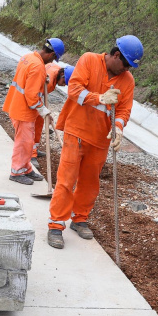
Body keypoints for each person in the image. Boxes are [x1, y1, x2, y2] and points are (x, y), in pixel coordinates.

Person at [46, 35, 143, 249]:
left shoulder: (127, 81)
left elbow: (124, 110)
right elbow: (74, 90)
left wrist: (118, 127)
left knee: (90, 182)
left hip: (100, 138)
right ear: (116, 55)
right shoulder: (89, 60)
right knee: (66, 179)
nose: (127, 70)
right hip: (77, 131)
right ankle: (56, 223)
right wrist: (99, 98)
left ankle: (79, 218)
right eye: (126, 65)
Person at [2, 38, 64, 185]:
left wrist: (42, 79)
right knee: (23, 143)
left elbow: (26, 80)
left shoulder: (28, 57)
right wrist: (44, 111)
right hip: (23, 111)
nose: (52, 62)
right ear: (52, 54)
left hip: (16, 104)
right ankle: (16, 171)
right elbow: (31, 96)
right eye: (54, 58)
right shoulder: (38, 67)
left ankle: (26, 168)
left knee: (28, 142)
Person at [32, 60, 70, 165]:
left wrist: (46, 113)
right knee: (32, 126)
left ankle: (35, 147)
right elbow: (36, 95)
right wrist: (44, 111)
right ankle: (31, 154)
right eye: (64, 82)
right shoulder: (49, 82)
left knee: (39, 122)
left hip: (39, 97)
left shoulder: (56, 69)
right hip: (32, 100)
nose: (63, 85)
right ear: (62, 75)